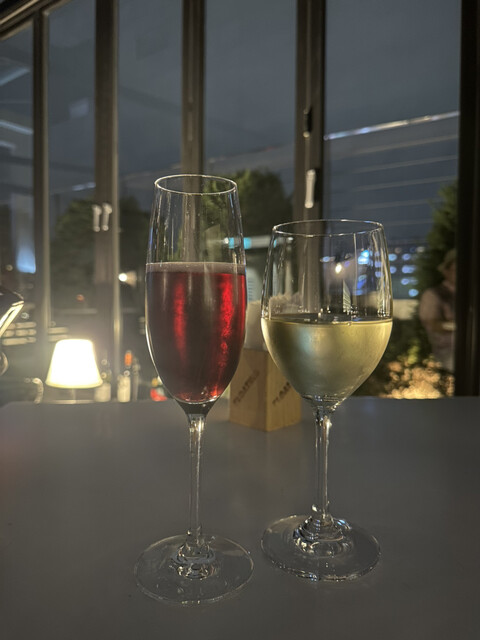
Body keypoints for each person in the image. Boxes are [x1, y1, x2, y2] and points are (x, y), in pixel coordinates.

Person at [418, 249, 456, 372]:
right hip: (449, 353)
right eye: (456, 270)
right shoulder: (433, 295)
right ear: (446, 271)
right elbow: (432, 324)